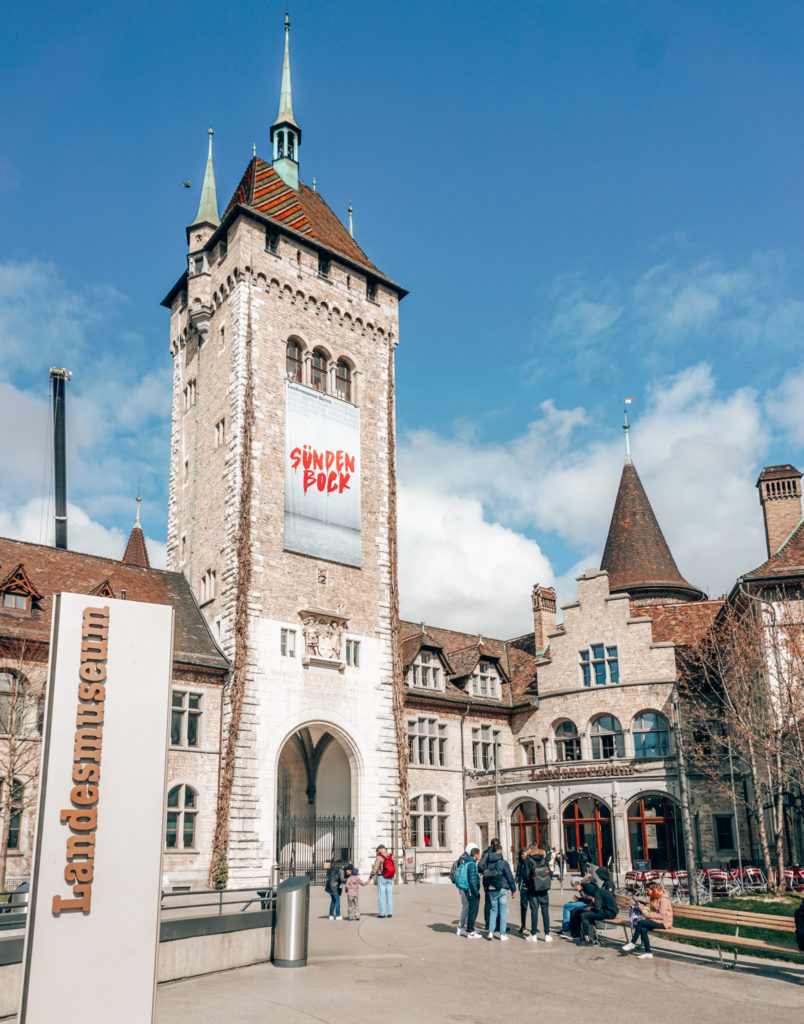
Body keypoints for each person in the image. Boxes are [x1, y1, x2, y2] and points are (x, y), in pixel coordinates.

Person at [622, 882, 673, 959]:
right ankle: (648, 953)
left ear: (653, 890)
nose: (646, 892)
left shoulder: (663, 899)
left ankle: (632, 943)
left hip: (664, 922)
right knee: (642, 929)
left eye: (647, 890)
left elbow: (662, 916)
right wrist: (642, 907)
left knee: (641, 922)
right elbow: (651, 911)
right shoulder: (653, 898)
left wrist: (645, 912)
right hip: (655, 920)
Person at [484, 839, 516, 941]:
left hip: (492, 888)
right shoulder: (503, 863)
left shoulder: (488, 863)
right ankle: (502, 934)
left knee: (494, 910)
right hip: (502, 888)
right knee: (502, 911)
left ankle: (490, 932)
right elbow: (509, 876)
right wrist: (513, 889)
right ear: (500, 851)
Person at [521, 844, 553, 942]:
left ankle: (533, 934)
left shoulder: (527, 861)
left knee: (534, 911)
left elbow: (525, 876)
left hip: (532, 889)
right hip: (544, 889)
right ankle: (547, 934)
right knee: (545, 911)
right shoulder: (544, 860)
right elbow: (549, 873)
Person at [579, 878, 619, 945]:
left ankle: (587, 939)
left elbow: (597, 908)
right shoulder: (599, 890)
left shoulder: (597, 893)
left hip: (609, 913)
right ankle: (592, 936)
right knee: (589, 915)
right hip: (610, 911)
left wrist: (591, 908)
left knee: (584, 915)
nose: (590, 896)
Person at [454, 843, 482, 937]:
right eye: (478, 853)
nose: (479, 855)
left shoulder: (464, 860)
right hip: (468, 889)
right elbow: (472, 880)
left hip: (464, 887)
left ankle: (468, 928)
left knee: (468, 907)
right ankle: (465, 929)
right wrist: (476, 892)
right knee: (468, 907)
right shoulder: (471, 863)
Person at [477, 838, 498, 931]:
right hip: (489, 880)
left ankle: (497, 924)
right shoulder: (487, 853)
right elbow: (480, 865)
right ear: (492, 845)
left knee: (497, 901)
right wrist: (488, 871)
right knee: (488, 902)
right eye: (496, 846)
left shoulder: (496, 852)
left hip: (496, 880)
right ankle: (488, 923)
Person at [369, 845, 395, 918]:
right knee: (389, 896)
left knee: (381, 896)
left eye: (377, 850)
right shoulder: (391, 856)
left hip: (382, 877)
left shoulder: (379, 857)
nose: (377, 852)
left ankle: (382, 913)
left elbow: (375, 868)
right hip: (390, 878)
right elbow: (395, 866)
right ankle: (390, 913)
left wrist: (371, 875)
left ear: (380, 850)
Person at [515, 848, 530, 934]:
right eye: (521, 854)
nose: (522, 856)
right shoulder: (520, 863)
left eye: (523, 854)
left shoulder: (530, 862)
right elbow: (518, 874)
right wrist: (516, 881)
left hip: (531, 888)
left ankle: (533, 926)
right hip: (523, 888)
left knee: (533, 907)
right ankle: (523, 925)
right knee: (523, 907)